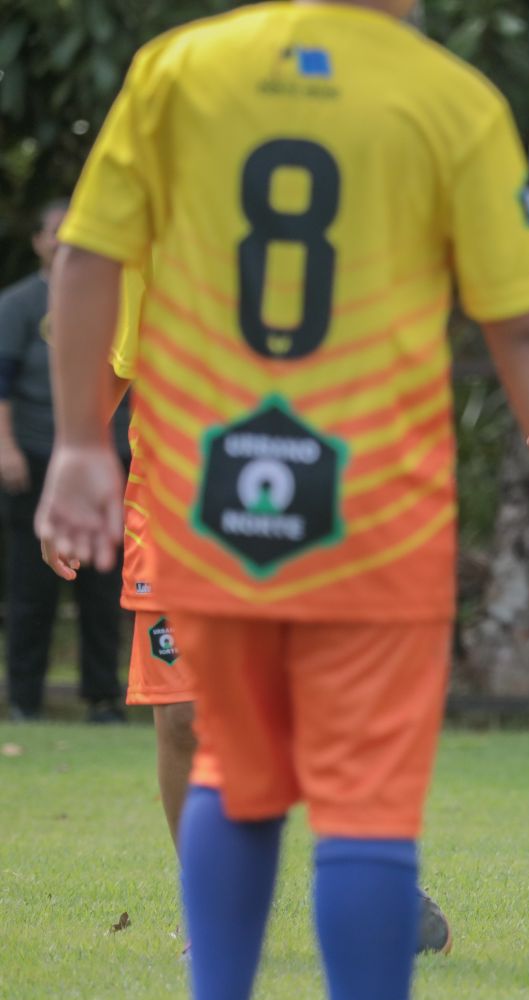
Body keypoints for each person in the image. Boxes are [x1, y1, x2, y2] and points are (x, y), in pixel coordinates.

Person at [36, 3, 529, 1000]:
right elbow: (527, 322)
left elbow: (86, 257)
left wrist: (79, 443)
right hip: (375, 513)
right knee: (365, 811)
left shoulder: (178, 70)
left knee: (227, 767)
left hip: (218, 501)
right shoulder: (451, 100)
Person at [44, 271, 451, 955]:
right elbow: (116, 366)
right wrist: (71, 469)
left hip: (299, 487)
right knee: (183, 718)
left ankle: (372, 869)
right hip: (173, 507)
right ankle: (212, 911)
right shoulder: (158, 227)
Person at [0, 199, 127, 723]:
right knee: (31, 585)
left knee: (104, 585)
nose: (63, 242)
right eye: (54, 233)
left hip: (109, 461)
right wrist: (5, 449)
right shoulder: (18, 305)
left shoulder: (119, 296)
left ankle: (103, 697)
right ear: (37, 241)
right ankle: (25, 699)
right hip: (35, 457)